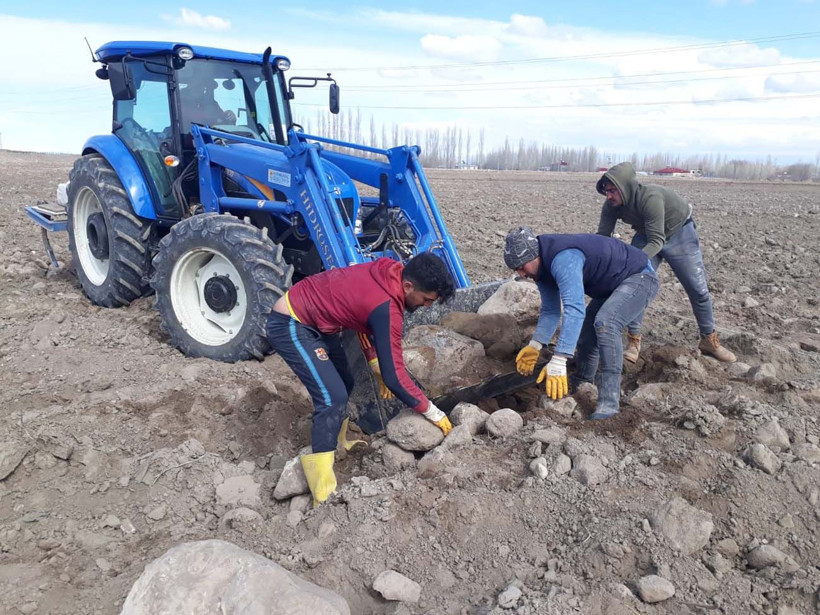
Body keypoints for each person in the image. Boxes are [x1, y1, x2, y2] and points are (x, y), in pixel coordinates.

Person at [265, 253, 455, 507]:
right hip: (292, 323)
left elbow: (360, 317)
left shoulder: (390, 272)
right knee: (332, 398)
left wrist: (375, 363)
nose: (427, 306)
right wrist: (434, 413)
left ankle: (338, 443)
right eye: (427, 300)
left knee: (346, 383)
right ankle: (322, 490)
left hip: (321, 320)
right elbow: (395, 375)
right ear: (408, 286)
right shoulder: (387, 305)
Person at [505, 227, 659, 420]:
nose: (521, 274)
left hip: (640, 278)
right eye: (516, 269)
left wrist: (560, 359)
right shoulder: (540, 270)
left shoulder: (563, 258)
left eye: (521, 266)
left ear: (533, 255)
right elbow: (551, 311)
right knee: (587, 335)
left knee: (606, 323)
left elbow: (574, 308)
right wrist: (535, 345)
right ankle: (582, 384)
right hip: (610, 286)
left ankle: (609, 406)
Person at [596, 162, 736, 363]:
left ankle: (709, 340)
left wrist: (633, 263)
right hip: (647, 234)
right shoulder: (611, 205)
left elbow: (657, 240)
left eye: (612, 190)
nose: (608, 196)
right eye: (606, 191)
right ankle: (634, 341)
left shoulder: (650, 198)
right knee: (636, 285)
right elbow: (603, 237)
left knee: (697, 289)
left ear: (626, 187)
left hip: (679, 233)